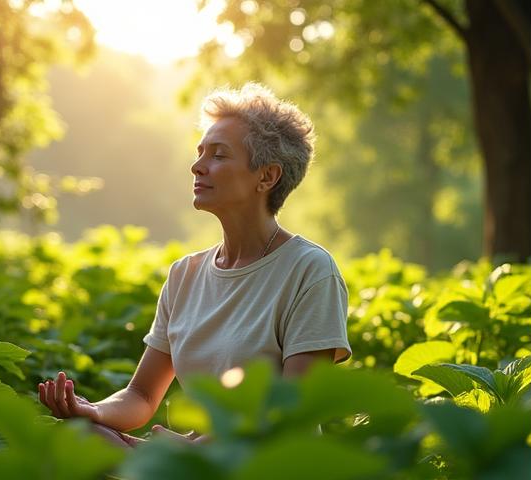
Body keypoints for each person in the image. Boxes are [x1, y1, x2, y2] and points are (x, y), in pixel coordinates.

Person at [38, 82, 352, 448]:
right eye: (200, 152)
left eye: (218, 155)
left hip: (268, 464)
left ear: (266, 176)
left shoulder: (310, 271)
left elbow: (291, 413)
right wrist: (93, 411)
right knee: (80, 437)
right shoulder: (184, 274)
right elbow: (141, 395)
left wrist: (191, 454)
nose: (197, 166)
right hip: (191, 459)